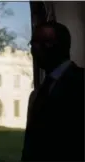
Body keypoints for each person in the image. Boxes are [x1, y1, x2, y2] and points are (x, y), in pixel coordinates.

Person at [21, 21, 84, 161]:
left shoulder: (80, 83)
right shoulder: (39, 92)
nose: (32, 50)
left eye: (35, 44)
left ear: (51, 45)